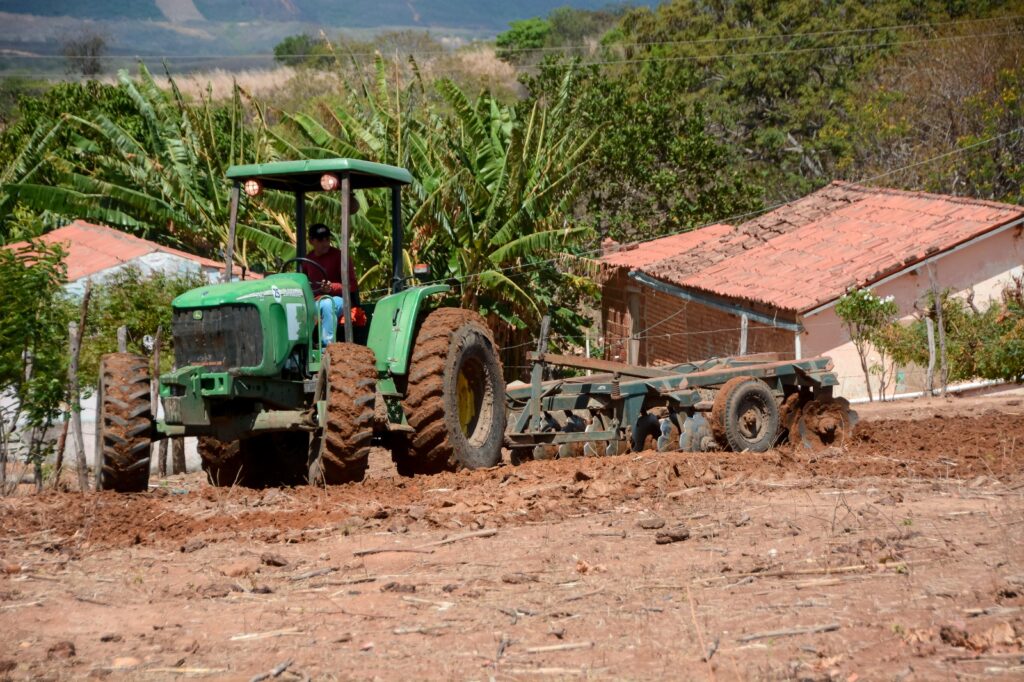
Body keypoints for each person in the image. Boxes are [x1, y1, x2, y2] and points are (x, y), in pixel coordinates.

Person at [303, 222, 359, 347]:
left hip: (340, 300)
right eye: (321, 240)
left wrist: (331, 288)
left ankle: (327, 347)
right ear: (311, 241)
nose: (325, 243)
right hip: (315, 301)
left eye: (327, 239)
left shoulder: (340, 257)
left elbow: (352, 285)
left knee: (328, 304)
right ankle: (300, 348)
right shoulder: (307, 260)